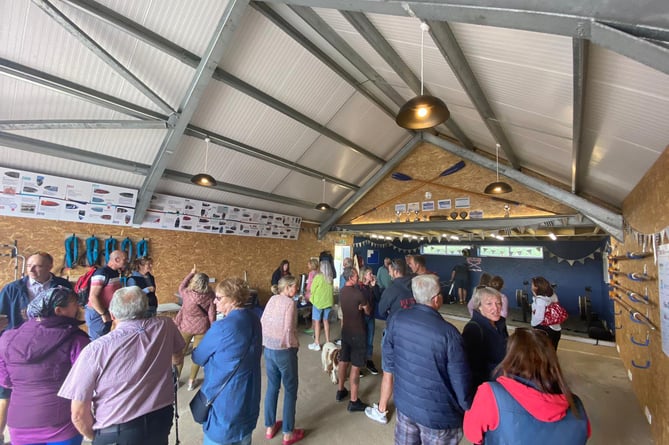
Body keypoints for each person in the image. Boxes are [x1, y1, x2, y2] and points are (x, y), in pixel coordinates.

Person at [59, 286, 185, 445]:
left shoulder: (95, 350)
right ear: (145, 308)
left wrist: (95, 438)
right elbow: (178, 358)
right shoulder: (165, 325)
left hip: (117, 431)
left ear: (112, 315)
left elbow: (78, 414)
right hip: (160, 420)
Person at [383, 274, 471, 444]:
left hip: (405, 406)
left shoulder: (397, 319)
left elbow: (389, 361)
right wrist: (467, 407)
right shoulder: (449, 334)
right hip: (438, 416)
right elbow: (460, 380)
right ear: (436, 299)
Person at [463, 328, 591, 444]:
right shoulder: (576, 405)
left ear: (511, 357)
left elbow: (472, 434)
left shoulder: (490, 395)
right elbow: (585, 434)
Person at [0, 286, 89, 445]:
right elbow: (84, 381)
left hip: (20, 422)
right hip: (61, 422)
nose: (79, 308)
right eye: (75, 304)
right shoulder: (76, 339)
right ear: (59, 310)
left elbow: (5, 381)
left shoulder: (7, 338)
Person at [192, 278, 262, 445]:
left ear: (234, 300)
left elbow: (198, 357)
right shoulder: (254, 319)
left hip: (225, 402)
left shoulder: (222, 327)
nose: (214, 302)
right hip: (249, 397)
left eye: (219, 298)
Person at [365, 258, 415, 425]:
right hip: (413, 333)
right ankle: (408, 407)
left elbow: (381, 309)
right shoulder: (415, 284)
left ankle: (381, 411)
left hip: (394, 333)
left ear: (394, 271)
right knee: (407, 370)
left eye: (390, 270)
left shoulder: (392, 288)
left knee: (388, 372)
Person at [261, 276, 304, 445]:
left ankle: (270, 427)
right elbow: (288, 330)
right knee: (290, 390)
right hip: (284, 351)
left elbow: (262, 322)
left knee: (272, 387)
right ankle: (288, 433)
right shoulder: (290, 303)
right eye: (294, 287)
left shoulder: (272, 299)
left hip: (268, 349)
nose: (296, 289)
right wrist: (294, 345)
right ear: (287, 288)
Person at [0, 251, 72, 331]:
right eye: (28, 266)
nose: (31, 270)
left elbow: (70, 312)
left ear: (50, 267)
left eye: (38, 266)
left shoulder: (63, 285)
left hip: (53, 333)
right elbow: (1, 316)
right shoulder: (12, 289)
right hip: (20, 334)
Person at [174, 265, 216, 390]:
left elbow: (181, 286)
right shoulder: (210, 296)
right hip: (202, 328)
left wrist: (191, 273)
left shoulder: (186, 293)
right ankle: (191, 382)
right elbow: (212, 315)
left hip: (185, 327)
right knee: (197, 355)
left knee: (180, 354)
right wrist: (213, 329)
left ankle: (176, 380)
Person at [336, 267, 370, 413]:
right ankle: (354, 401)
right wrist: (361, 307)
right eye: (356, 275)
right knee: (356, 366)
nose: (358, 277)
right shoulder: (358, 294)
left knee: (343, 361)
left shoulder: (342, 291)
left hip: (346, 331)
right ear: (350, 277)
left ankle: (340, 390)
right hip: (358, 332)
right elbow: (368, 311)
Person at [462, 287, 509, 393]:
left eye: (498, 303)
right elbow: (472, 366)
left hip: (503, 381)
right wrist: (501, 371)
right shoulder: (473, 329)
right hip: (487, 387)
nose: (496, 308)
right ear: (479, 306)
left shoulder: (500, 323)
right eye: (489, 304)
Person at [85, 249, 127, 340]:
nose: (126, 262)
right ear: (117, 260)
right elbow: (93, 297)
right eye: (124, 259)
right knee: (98, 341)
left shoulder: (115, 273)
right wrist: (103, 314)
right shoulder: (101, 273)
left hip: (107, 312)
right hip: (97, 313)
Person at [358, 266, 381, 375]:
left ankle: (368, 361)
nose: (372, 275)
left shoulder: (372, 286)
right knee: (361, 340)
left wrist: (374, 286)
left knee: (370, 340)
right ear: (364, 275)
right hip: (361, 317)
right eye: (370, 274)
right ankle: (359, 363)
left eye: (372, 273)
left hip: (371, 317)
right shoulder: (359, 287)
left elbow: (378, 298)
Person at [308, 261, 334, 350]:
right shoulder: (330, 278)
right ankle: (327, 341)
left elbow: (312, 289)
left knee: (317, 322)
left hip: (318, 302)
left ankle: (317, 343)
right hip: (328, 302)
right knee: (326, 321)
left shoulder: (318, 277)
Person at [531, 276, 562, 349]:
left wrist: (533, 324)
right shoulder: (553, 295)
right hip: (555, 328)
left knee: (541, 352)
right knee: (551, 351)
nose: (531, 286)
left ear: (536, 287)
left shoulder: (540, 300)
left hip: (544, 330)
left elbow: (539, 318)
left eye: (532, 284)